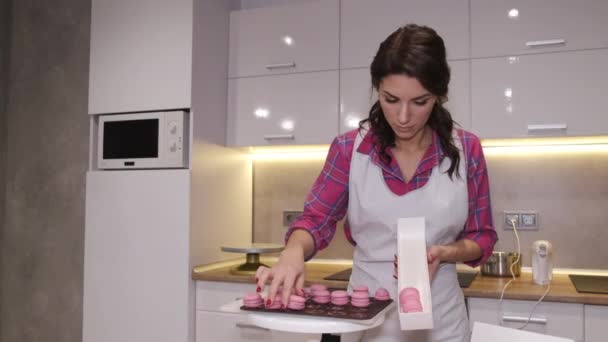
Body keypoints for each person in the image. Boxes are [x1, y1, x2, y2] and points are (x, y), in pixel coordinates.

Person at [255, 24, 498, 342]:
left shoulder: (467, 149)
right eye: (391, 99)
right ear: (376, 90)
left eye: (420, 102)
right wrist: (292, 253)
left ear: (439, 96)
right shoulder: (349, 149)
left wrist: (446, 252)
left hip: (443, 324)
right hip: (367, 321)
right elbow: (316, 220)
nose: (403, 116)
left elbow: (481, 237)